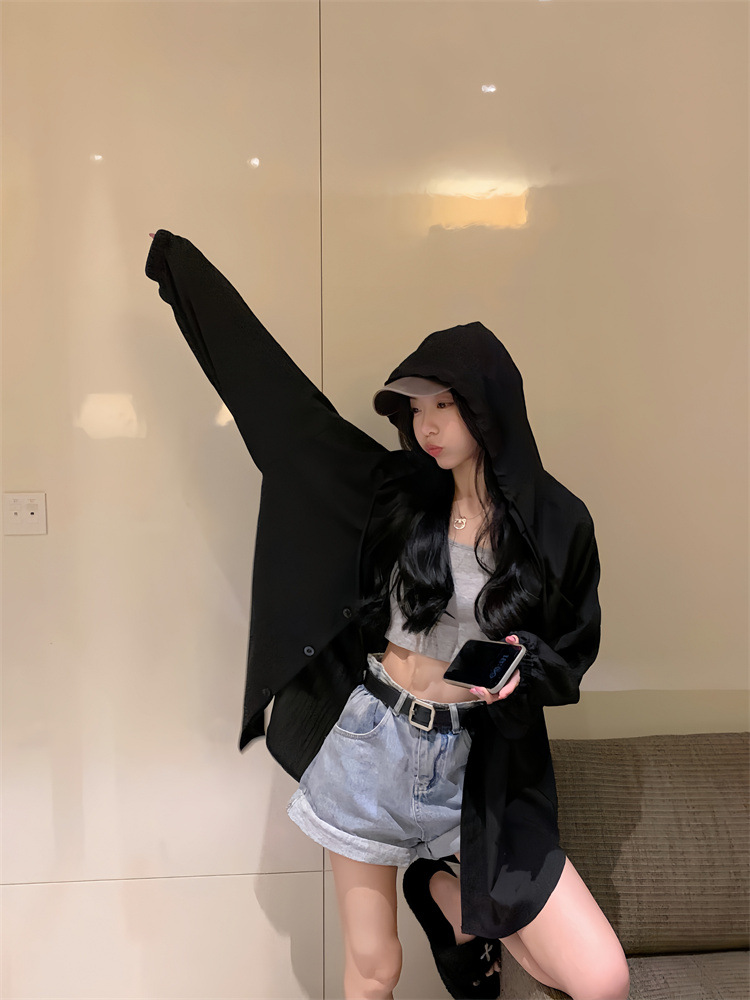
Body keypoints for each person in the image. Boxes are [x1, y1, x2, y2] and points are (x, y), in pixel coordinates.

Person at [145, 231, 630, 1000]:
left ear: (490, 405)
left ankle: (444, 895)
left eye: (445, 405)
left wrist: (522, 672)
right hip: (370, 746)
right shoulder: (395, 492)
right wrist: (182, 271)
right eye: (417, 407)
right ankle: (446, 896)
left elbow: (572, 648)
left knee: (597, 978)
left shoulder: (557, 522)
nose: (427, 425)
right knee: (375, 971)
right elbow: (281, 409)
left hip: (476, 765)